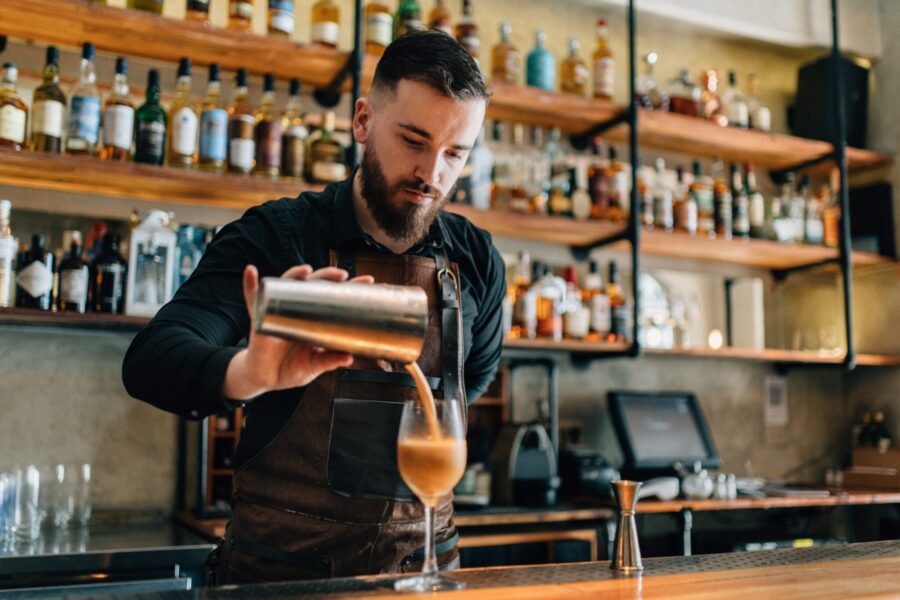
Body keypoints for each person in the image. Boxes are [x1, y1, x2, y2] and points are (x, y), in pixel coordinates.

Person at [122, 30, 505, 584]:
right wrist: (246, 373)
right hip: (281, 582)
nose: (432, 174)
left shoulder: (476, 259)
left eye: (455, 153)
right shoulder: (276, 237)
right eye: (414, 141)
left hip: (428, 578)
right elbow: (150, 360)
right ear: (362, 121)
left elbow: (474, 378)